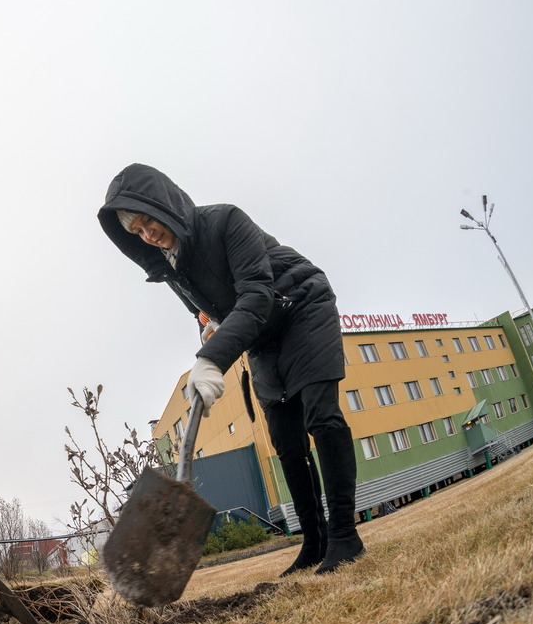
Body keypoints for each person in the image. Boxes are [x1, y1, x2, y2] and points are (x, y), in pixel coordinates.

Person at [98, 164, 365, 576]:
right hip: (261, 339)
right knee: (285, 439)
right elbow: (205, 314)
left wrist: (211, 360)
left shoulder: (225, 220)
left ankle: (345, 535)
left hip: (301, 307)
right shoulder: (170, 266)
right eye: (137, 232)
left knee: (321, 415)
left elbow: (256, 295)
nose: (147, 234)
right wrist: (207, 330)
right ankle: (314, 541)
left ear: (163, 204)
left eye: (148, 220)